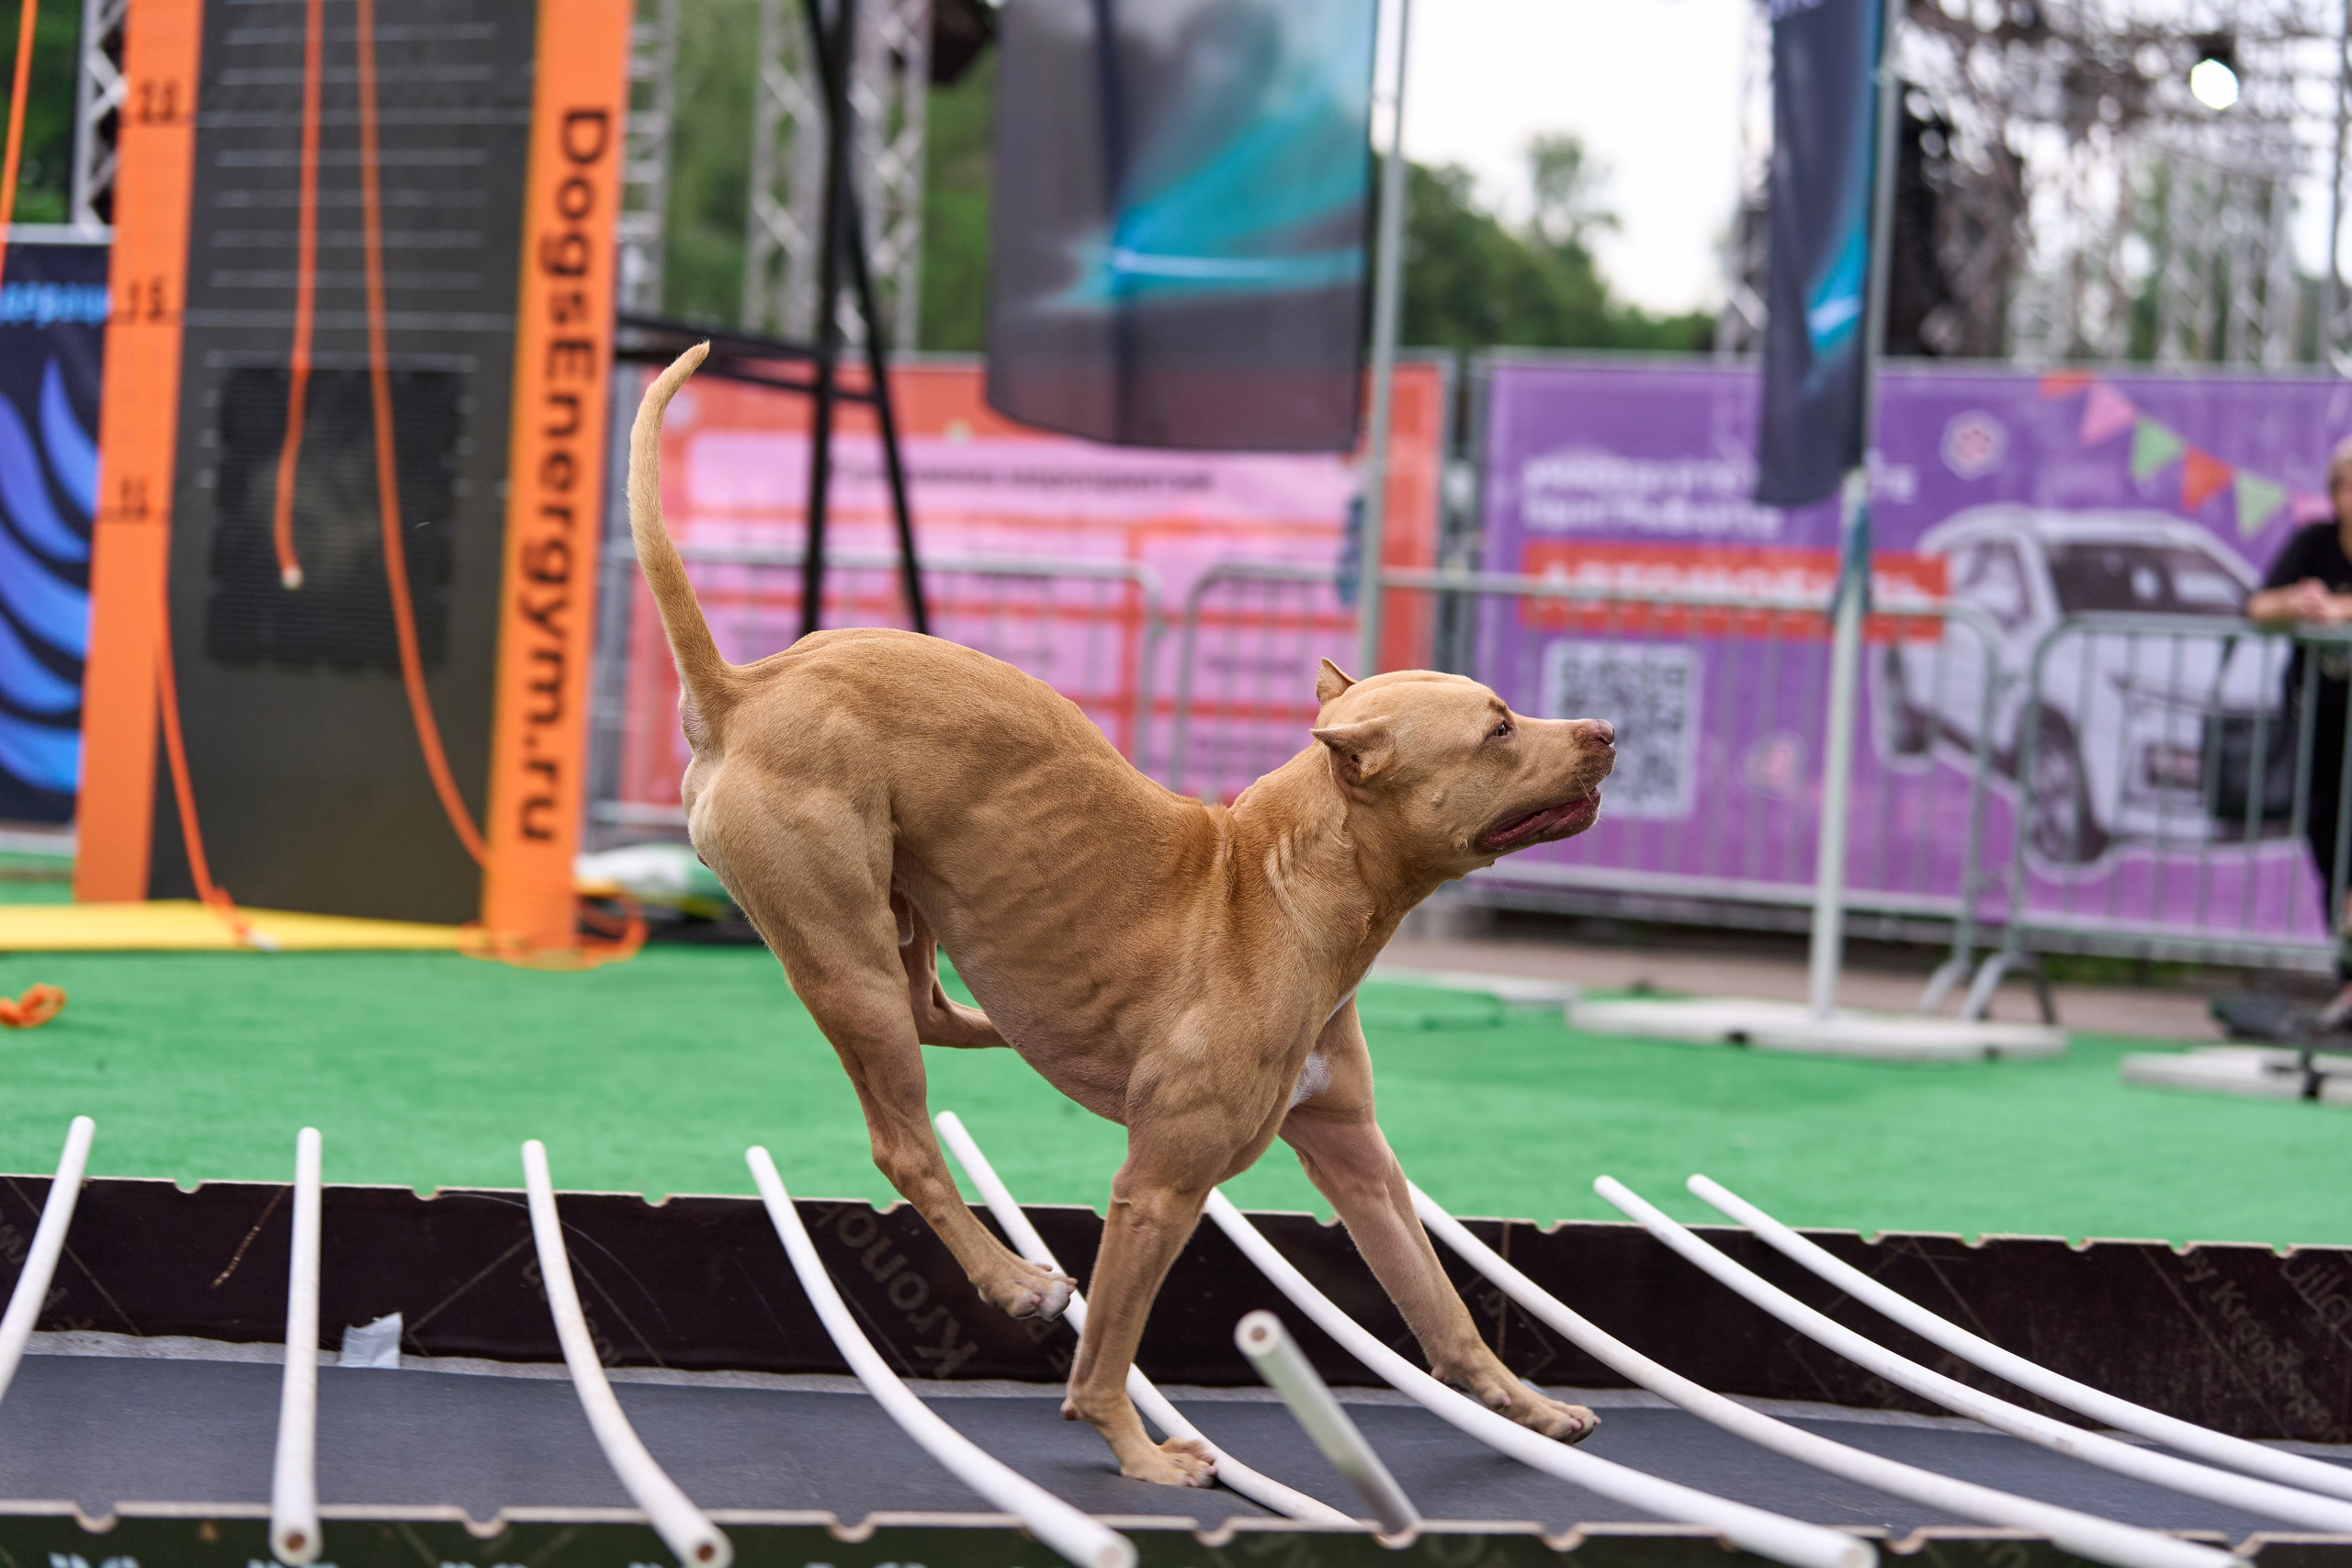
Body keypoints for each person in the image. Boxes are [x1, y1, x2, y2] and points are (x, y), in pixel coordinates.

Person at [2245, 433, 2352, 1030]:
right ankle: (2349, 986)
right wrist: (2298, 599)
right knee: (2331, 859)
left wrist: (2341, 610)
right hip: (2324, 727)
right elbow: (2256, 605)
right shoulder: (2314, 543)